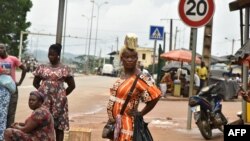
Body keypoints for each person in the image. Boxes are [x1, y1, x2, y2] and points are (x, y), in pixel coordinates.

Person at [106, 33, 161, 141]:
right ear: (121, 59)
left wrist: (140, 113)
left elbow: (156, 96)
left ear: (137, 59)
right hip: (117, 125)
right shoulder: (123, 76)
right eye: (127, 57)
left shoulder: (140, 78)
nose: (130, 60)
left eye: (133, 57)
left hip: (127, 126)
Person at [32, 43, 75, 141]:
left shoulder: (65, 69)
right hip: (44, 101)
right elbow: (35, 83)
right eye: (49, 54)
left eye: (53, 54)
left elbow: (72, 86)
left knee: (59, 127)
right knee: (42, 124)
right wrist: (42, 94)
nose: (50, 57)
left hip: (60, 103)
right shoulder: (42, 67)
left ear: (58, 55)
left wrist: (62, 95)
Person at [0, 43, 27, 128]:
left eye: (1, 48)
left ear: (5, 48)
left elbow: (24, 68)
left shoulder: (13, 59)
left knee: (10, 112)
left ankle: (8, 133)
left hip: (11, 89)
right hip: (1, 89)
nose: (0, 50)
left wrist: (20, 82)